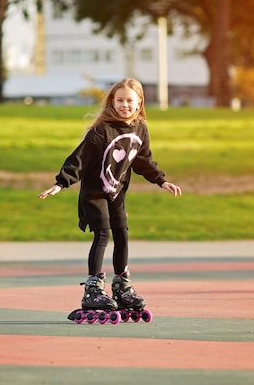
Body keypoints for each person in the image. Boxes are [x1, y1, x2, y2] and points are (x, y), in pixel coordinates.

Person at [38, 78, 182, 313]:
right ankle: (93, 289)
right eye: (120, 100)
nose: (125, 104)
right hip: (94, 194)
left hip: (116, 194)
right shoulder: (101, 131)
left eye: (129, 100)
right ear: (112, 102)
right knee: (103, 234)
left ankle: (122, 286)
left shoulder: (141, 129)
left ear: (139, 103)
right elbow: (79, 160)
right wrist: (61, 184)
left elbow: (144, 162)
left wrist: (162, 181)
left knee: (122, 234)